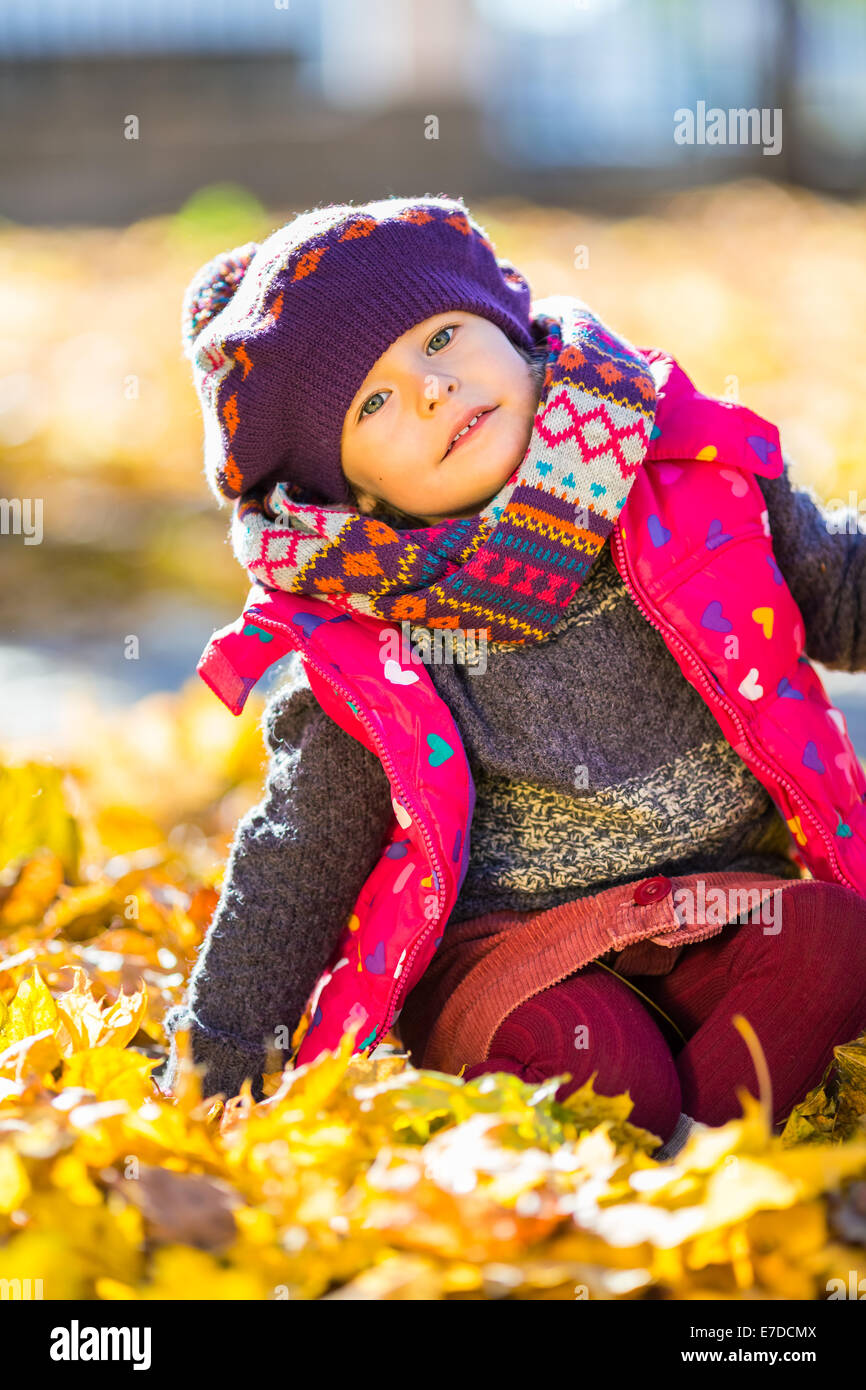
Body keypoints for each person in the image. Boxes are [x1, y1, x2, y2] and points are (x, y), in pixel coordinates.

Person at [154, 194, 866, 1157]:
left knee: (834, 940)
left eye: (442, 337)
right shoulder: (370, 640)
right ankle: (656, 1145)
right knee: (588, 1063)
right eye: (375, 403)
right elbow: (298, 858)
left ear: (511, 330)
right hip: (516, 959)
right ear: (355, 493)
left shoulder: (690, 478)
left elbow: (836, 591)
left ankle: (703, 1158)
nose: (433, 390)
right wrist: (218, 1056)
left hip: (721, 904)